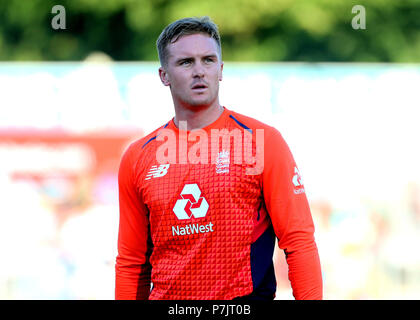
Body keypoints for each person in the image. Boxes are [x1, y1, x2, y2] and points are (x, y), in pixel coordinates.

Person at [115, 16, 322, 300]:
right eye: (186, 62)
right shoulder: (139, 157)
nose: (199, 71)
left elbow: (298, 242)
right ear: (164, 75)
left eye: (208, 60)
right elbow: (131, 263)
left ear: (221, 70)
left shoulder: (262, 142)